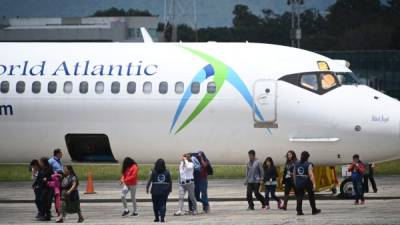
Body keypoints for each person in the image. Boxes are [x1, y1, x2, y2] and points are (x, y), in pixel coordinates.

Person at [294, 151, 321, 216]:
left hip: (298, 182)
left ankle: (299, 211)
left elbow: (294, 173)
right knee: (311, 196)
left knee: (299, 196)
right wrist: (314, 184)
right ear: (308, 157)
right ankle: (314, 210)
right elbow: (311, 175)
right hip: (307, 182)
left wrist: (295, 181)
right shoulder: (309, 164)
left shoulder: (296, 164)